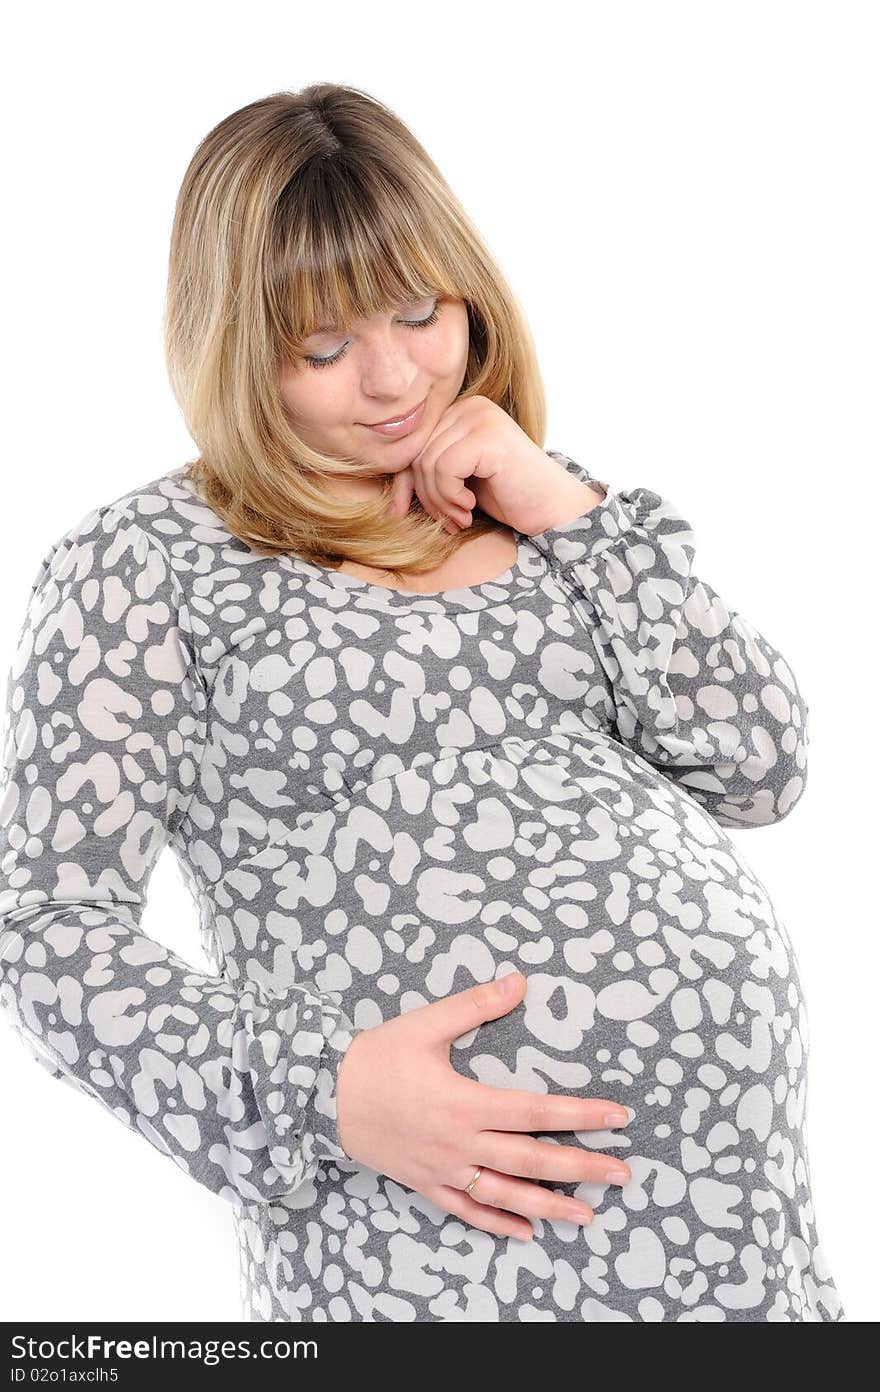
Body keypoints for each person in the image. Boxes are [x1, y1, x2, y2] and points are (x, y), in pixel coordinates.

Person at [0, 82, 845, 1323]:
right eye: (324, 346)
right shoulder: (147, 563)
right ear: (235, 346)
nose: (394, 378)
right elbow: (46, 925)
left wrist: (561, 504)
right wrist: (323, 1093)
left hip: (734, 1251)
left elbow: (760, 768)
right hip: (432, 1260)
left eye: (418, 311)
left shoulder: (541, 502)